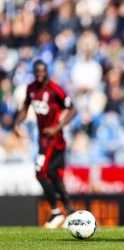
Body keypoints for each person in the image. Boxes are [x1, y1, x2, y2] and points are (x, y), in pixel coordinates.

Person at [14, 60, 76, 229]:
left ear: (47, 71)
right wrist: (17, 122)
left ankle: (56, 212)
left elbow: (72, 109)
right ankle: (69, 211)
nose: (40, 74)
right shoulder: (31, 88)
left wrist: (58, 126)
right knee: (52, 175)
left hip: (54, 139)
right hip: (42, 138)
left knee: (41, 172)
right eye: (37, 72)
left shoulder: (55, 89)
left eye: (43, 71)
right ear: (34, 72)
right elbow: (25, 106)